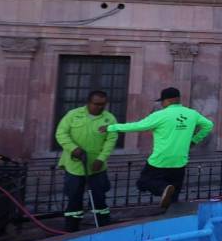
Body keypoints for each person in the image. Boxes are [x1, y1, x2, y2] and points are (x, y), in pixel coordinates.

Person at [100, 87, 213, 210]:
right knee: (173, 197)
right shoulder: (192, 114)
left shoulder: (160, 115)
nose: (162, 104)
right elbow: (209, 125)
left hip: (160, 160)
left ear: (168, 100)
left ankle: (163, 189)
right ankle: (170, 212)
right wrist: (195, 140)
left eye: (162, 101)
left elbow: (137, 126)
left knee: (143, 182)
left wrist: (111, 127)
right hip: (180, 161)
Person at [55, 90, 117, 231]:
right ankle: (72, 226)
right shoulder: (73, 115)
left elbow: (111, 140)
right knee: (74, 197)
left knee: (99, 197)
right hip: (74, 166)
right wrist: (73, 148)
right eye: (96, 104)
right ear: (88, 102)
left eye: (103, 104)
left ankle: (103, 224)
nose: (100, 107)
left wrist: (101, 159)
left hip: (97, 167)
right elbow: (61, 133)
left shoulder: (109, 119)